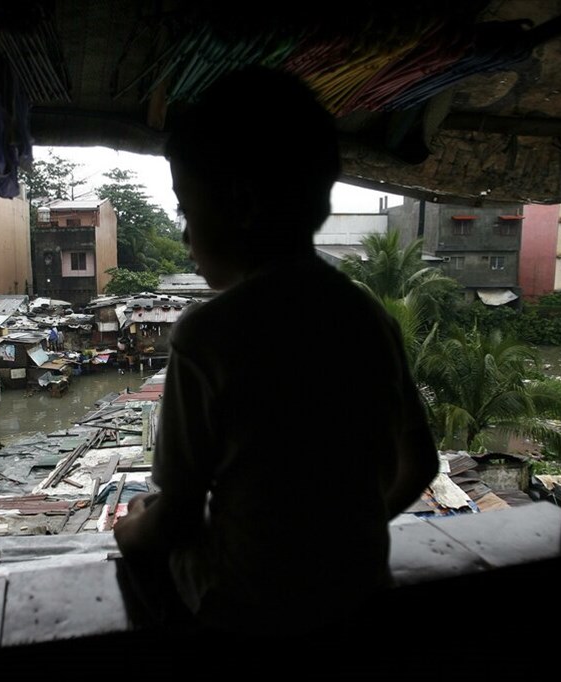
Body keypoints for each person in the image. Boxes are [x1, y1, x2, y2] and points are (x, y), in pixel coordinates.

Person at [112, 65, 439, 640]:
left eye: (187, 212)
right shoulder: (369, 316)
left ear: (239, 203)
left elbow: (179, 515)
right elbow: (421, 466)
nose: (186, 238)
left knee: (149, 545)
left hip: (248, 614)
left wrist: (130, 526)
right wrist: (341, 539)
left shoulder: (205, 334)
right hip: (359, 597)